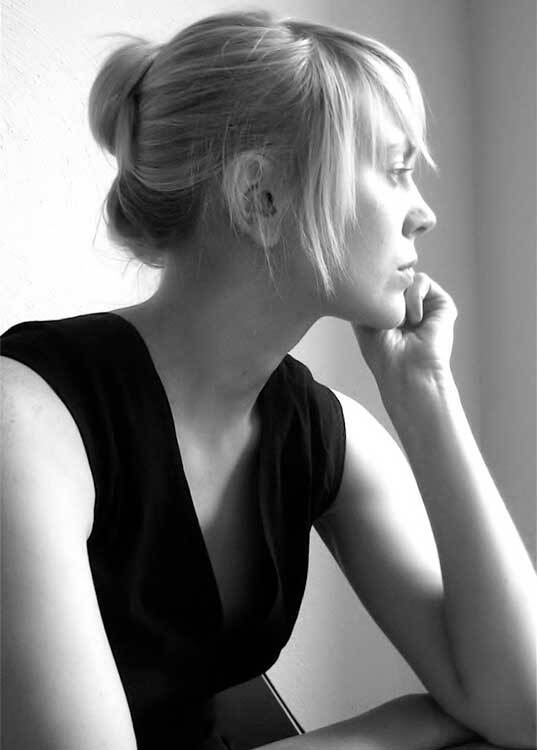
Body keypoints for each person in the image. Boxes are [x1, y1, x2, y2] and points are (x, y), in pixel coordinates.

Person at [1, 9, 535, 750]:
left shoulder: (321, 434)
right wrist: (395, 730)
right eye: (395, 170)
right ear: (262, 196)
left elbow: (523, 708)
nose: (424, 214)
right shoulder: (25, 420)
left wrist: (428, 394)